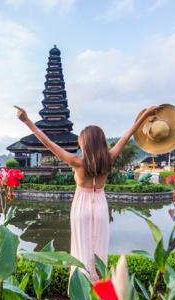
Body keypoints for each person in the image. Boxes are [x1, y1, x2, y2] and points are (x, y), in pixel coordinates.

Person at [15, 105, 159, 281]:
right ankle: (99, 289)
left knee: (81, 248)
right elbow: (127, 136)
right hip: (100, 206)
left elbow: (48, 144)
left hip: (81, 207)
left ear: (85, 143)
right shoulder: (109, 158)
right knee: (99, 249)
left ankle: (81, 288)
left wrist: (27, 121)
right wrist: (144, 116)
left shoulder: (76, 162)